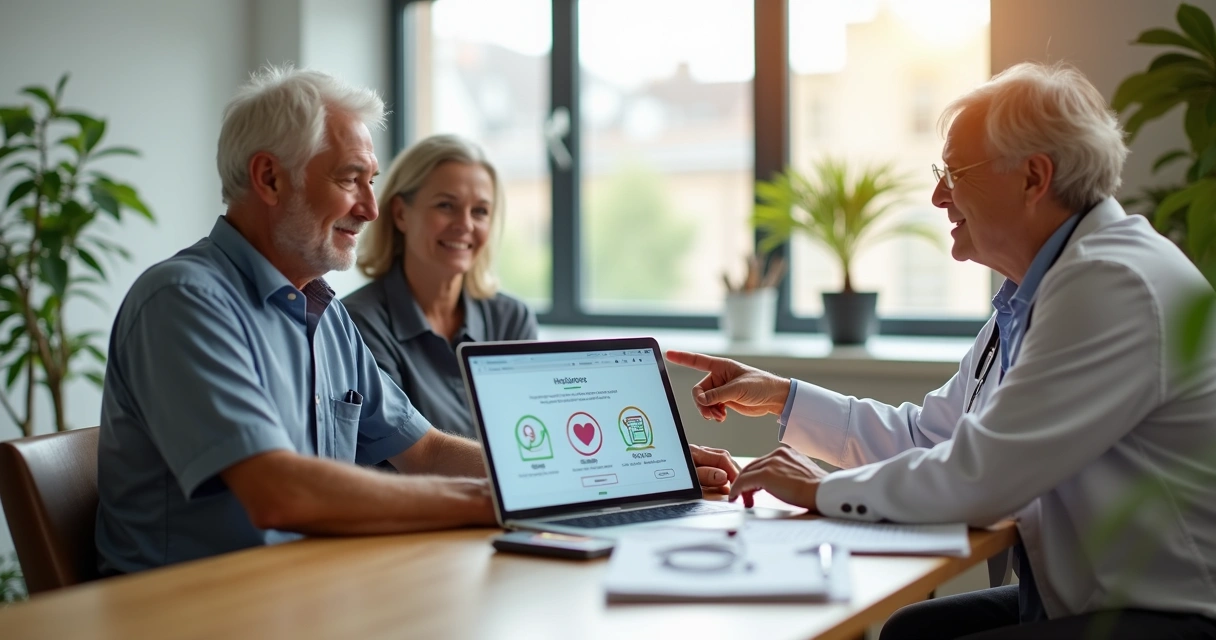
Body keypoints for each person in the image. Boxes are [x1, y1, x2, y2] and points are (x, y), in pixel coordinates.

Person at [670, 62, 1216, 639]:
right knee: (914, 630)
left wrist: (818, 488)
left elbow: (983, 477)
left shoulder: (1111, 284)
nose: (936, 195)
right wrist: (782, 396)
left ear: (1033, 178)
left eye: (954, 172)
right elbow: (930, 437)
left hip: (1172, 620)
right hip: (1092, 600)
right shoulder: (1045, 288)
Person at [343, 135, 536, 440]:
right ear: (400, 214)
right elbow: (399, 456)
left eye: (480, 211)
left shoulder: (512, 319)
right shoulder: (358, 323)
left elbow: (532, 435)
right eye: (446, 205)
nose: (465, 224)